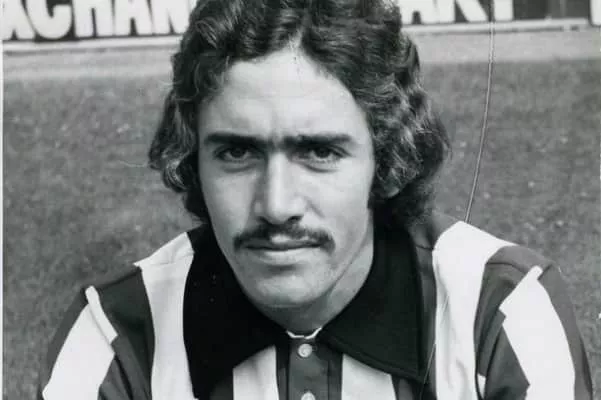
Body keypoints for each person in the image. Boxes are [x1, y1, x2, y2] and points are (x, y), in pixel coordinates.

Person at [39, 0, 593, 399]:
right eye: (237, 152)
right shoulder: (118, 332)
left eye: (320, 152)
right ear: (193, 160)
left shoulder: (498, 311)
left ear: (386, 157)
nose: (277, 205)